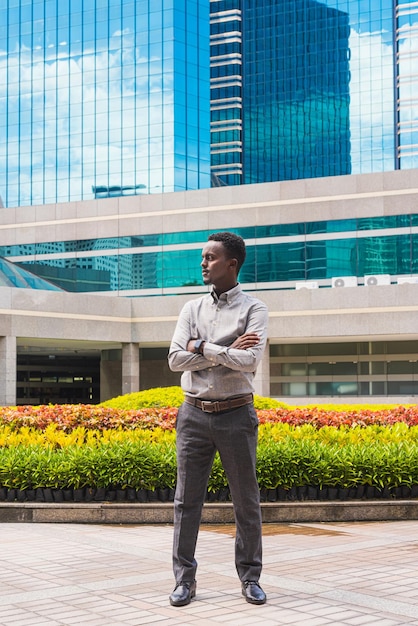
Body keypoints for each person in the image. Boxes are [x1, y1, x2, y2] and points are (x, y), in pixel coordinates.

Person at [167, 231, 268, 607]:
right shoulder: (191, 309)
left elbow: (250, 360)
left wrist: (202, 347)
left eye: (210, 257)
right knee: (185, 501)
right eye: (202, 257)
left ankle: (250, 578)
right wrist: (224, 349)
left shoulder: (254, 310)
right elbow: (175, 359)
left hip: (237, 414)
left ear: (231, 264)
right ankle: (184, 581)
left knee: (246, 500)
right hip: (193, 413)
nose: (203, 263)